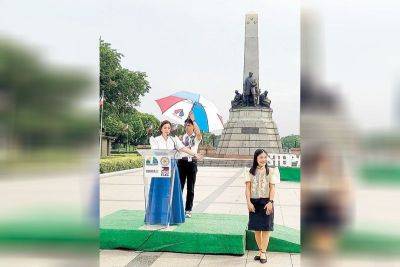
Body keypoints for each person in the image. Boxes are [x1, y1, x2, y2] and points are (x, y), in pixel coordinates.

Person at [147, 120, 203, 225]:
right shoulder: (155, 139)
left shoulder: (174, 139)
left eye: (169, 128)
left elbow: (183, 148)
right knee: (160, 192)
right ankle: (157, 217)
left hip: (172, 168)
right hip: (160, 168)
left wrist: (195, 154)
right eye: (165, 128)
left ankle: (173, 216)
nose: (167, 130)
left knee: (172, 192)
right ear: (161, 129)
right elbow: (155, 152)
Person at [244, 149, 280, 264]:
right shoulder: (249, 171)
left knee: (266, 229)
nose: (263, 159)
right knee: (256, 228)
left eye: (265, 157)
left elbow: (273, 188)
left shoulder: (272, 171)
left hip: (266, 202)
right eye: (261, 157)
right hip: (254, 202)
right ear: (256, 158)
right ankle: (260, 250)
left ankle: (263, 252)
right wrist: (248, 202)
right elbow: (247, 188)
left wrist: (271, 202)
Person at [177, 112, 202, 218]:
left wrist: (194, 120)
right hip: (181, 163)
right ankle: (177, 208)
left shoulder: (197, 138)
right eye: (186, 125)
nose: (187, 127)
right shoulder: (182, 137)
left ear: (193, 126)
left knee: (190, 188)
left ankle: (188, 210)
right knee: (179, 187)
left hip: (192, 163)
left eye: (189, 125)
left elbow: (198, 133)